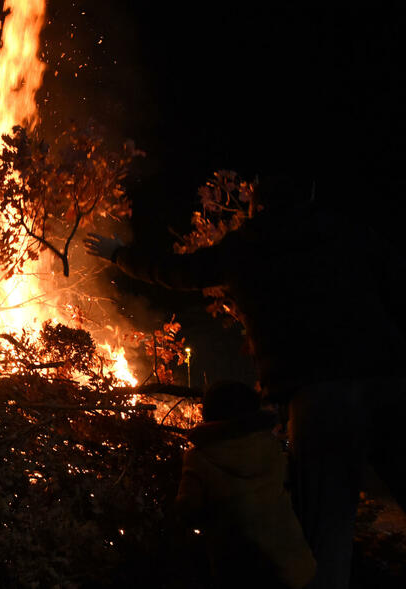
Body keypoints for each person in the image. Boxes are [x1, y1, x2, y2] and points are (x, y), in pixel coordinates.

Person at [85, 189, 406, 588]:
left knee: (326, 534)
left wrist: (119, 253)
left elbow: (179, 272)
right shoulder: (348, 233)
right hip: (390, 383)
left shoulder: (251, 245)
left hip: (320, 398)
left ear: (257, 207)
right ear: (308, 196)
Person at [176, 380, 316, 588]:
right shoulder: (270, 447)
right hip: (292, 567)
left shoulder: (198, 459)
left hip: (240, 571)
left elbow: (188, 510)